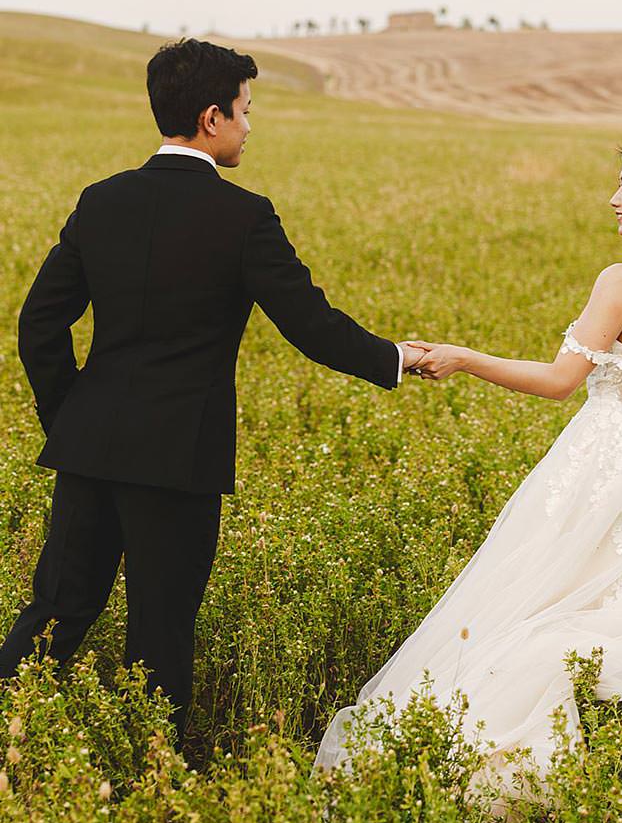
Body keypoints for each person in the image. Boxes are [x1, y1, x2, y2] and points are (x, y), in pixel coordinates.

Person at [0, 38, 424, 745]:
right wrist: (395, 358)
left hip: (89, 447)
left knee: (57, 608)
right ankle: (158, 774)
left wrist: (70, 415)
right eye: (246, 111)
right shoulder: (243, 217)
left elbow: (40, 322)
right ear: (211, 119)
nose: (250, 127)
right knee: (161, 629)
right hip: (177, 460)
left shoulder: (100, 201)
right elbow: (310, 326)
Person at [315, 135, 622, 791]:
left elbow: (559, 381)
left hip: (599, 460)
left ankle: (517, 760)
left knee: (531, 602)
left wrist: (464, 356)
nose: (614, 197)